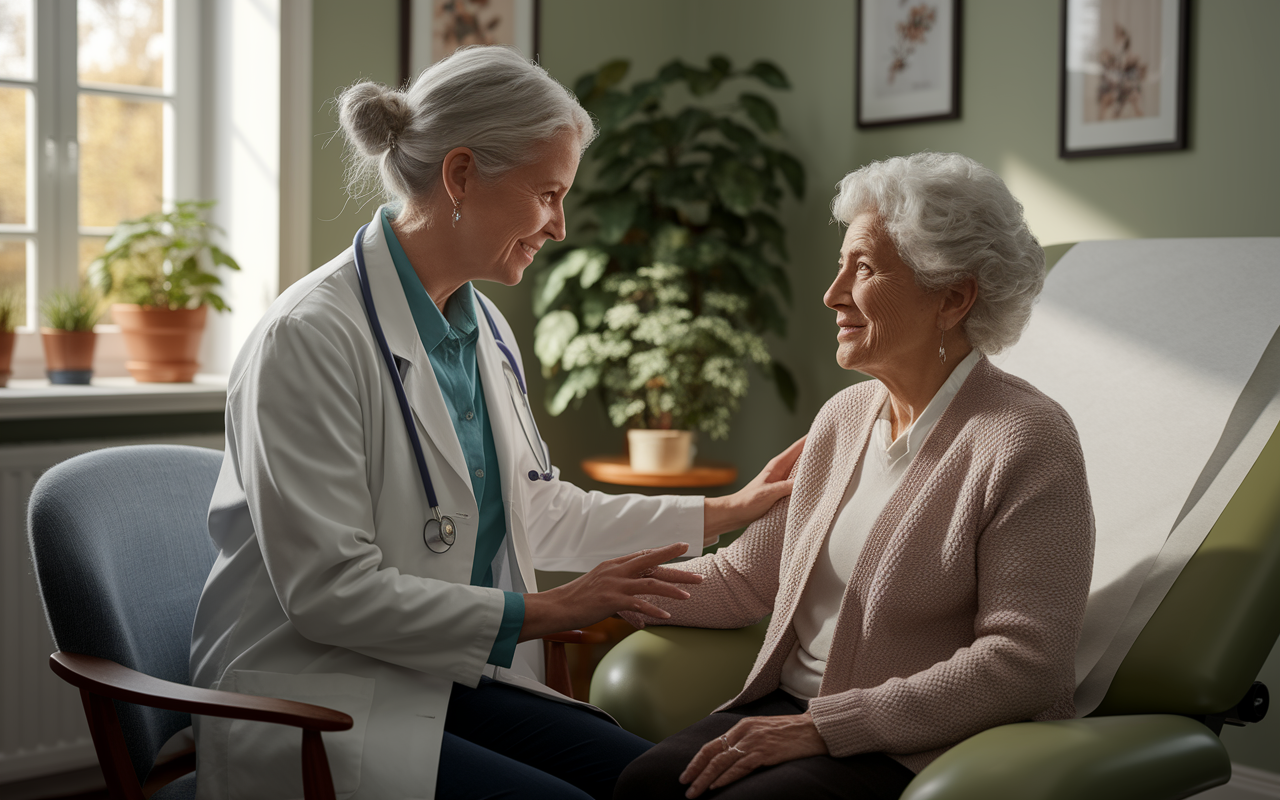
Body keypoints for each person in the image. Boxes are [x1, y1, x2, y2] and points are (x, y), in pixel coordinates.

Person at [188, 46, 802, 800]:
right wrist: (547, 610)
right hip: (323, 697)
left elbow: (534, 508)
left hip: (441, 678)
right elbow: (329, 594)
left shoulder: (481, 325)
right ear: (460, 176)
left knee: (654, 784)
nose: (560, 226)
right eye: (548, 193)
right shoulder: (309, 338)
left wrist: (726, 510)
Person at [615, 152, 1096, 800]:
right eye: (841, 266)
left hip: (911, 748)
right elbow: (745, 576)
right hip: (791, 712)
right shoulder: (844, 417)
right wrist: (597, 593)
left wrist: (823, 727)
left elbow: (1025, 665)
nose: (832, 293)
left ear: (952, 297)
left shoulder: (1027, 439)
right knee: (641, 785)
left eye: (863, 269)